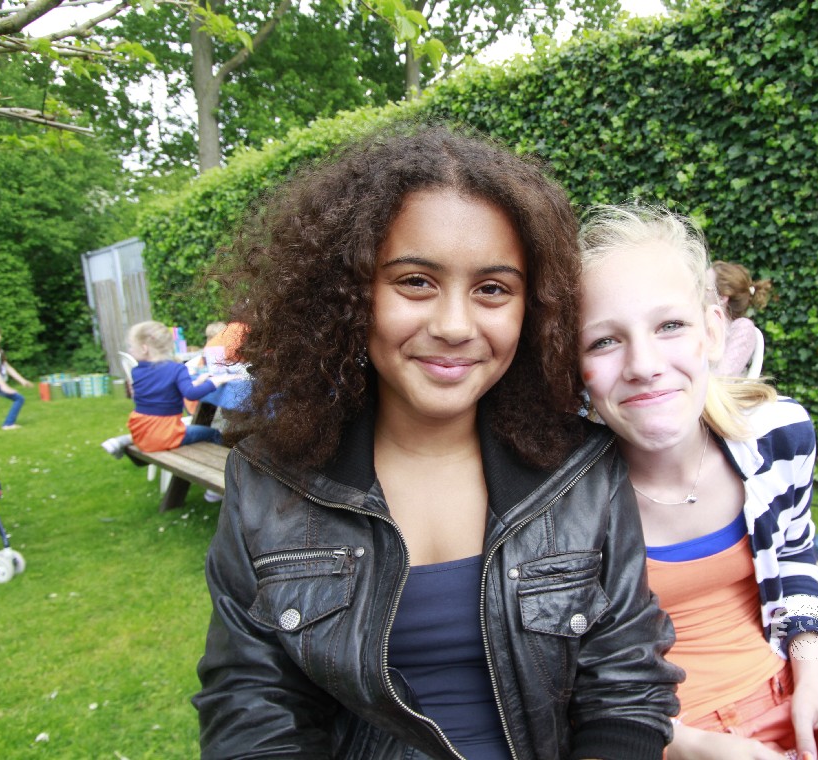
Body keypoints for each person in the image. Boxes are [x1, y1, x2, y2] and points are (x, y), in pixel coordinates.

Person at [192, 125, 681, 759]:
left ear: (533, 309)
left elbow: (626, 688)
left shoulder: (583, 471)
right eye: (416, 281)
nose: (454, 325)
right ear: (350, 294)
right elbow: (252, 705)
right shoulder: (268, 481)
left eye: (492, 289)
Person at [577, 204, 818, 760]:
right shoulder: (562, 497)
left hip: (793, 689)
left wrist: (813, 683)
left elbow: (795, 561)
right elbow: (562, 672)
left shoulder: (778, 436)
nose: (644, 364)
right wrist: (692, 745)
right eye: (603, 341)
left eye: (670, 326)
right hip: (659, 732)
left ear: (714, 330)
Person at [100, 321, 238, 458]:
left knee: (194, 430)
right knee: (214, 433)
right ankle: (221, 465)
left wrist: (198, 382)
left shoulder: (137, 371)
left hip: (141, 431)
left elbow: (165, 389)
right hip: (165, 434)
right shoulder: (176, 369)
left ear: (144, 348)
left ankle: (125, 442)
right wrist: (214, 382)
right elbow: (190, 394)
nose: (130, 350)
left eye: (131, 346)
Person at [710, 261, 771, 377]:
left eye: (704, 287)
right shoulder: (701, 323)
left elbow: (723, 376)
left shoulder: (743, 328)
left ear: (722, 298)